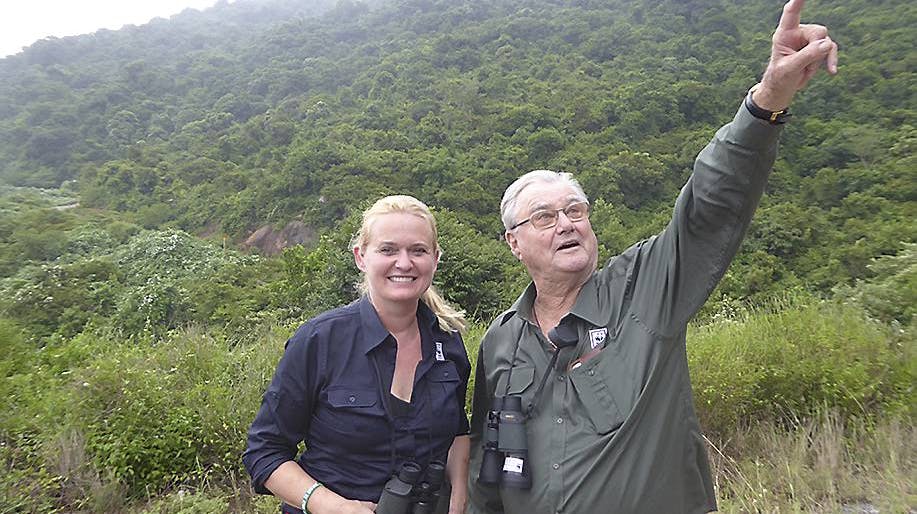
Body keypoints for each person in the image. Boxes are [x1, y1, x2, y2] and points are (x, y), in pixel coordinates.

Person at [466, 1, 839, 513]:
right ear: (514, 241)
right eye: (545, 217)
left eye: (575, 210)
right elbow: (488, 466)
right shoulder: (500, 342)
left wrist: (766, 100)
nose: (567, 224)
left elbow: (707, 209)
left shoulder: (646, 285)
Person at [244, 195, 471, 514]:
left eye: (417, 250)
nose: (404, 263)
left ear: (435, 259)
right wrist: (331, 506)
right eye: (388, 249)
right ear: (361, 257)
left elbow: (457, 429)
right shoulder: (320, 340)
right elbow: (264, 452)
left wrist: (459, 496)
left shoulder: (448, 343)